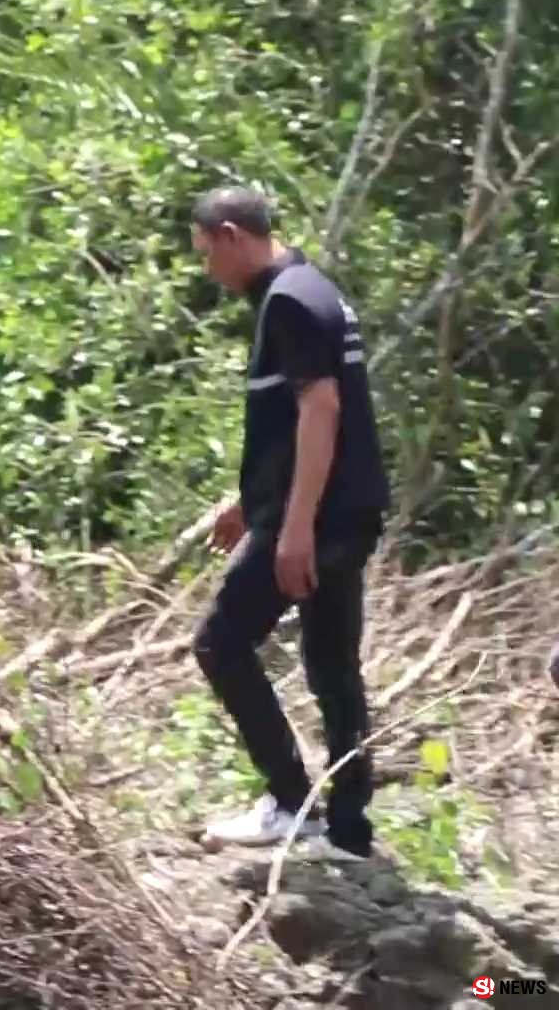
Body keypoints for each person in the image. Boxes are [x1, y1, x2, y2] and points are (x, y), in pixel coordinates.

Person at [188, 185, 391, 860]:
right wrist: (249, 502)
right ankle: (349, 829)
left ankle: (288, 802)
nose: (208, 271)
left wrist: (293, 525)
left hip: (319, 515)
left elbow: (323, 410)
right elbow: (292, 421)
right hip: (344, 507)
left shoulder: (290, 301)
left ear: (228, 235)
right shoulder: (314, 290)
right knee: (333, 664)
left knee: (221, 643)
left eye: (205, 254)